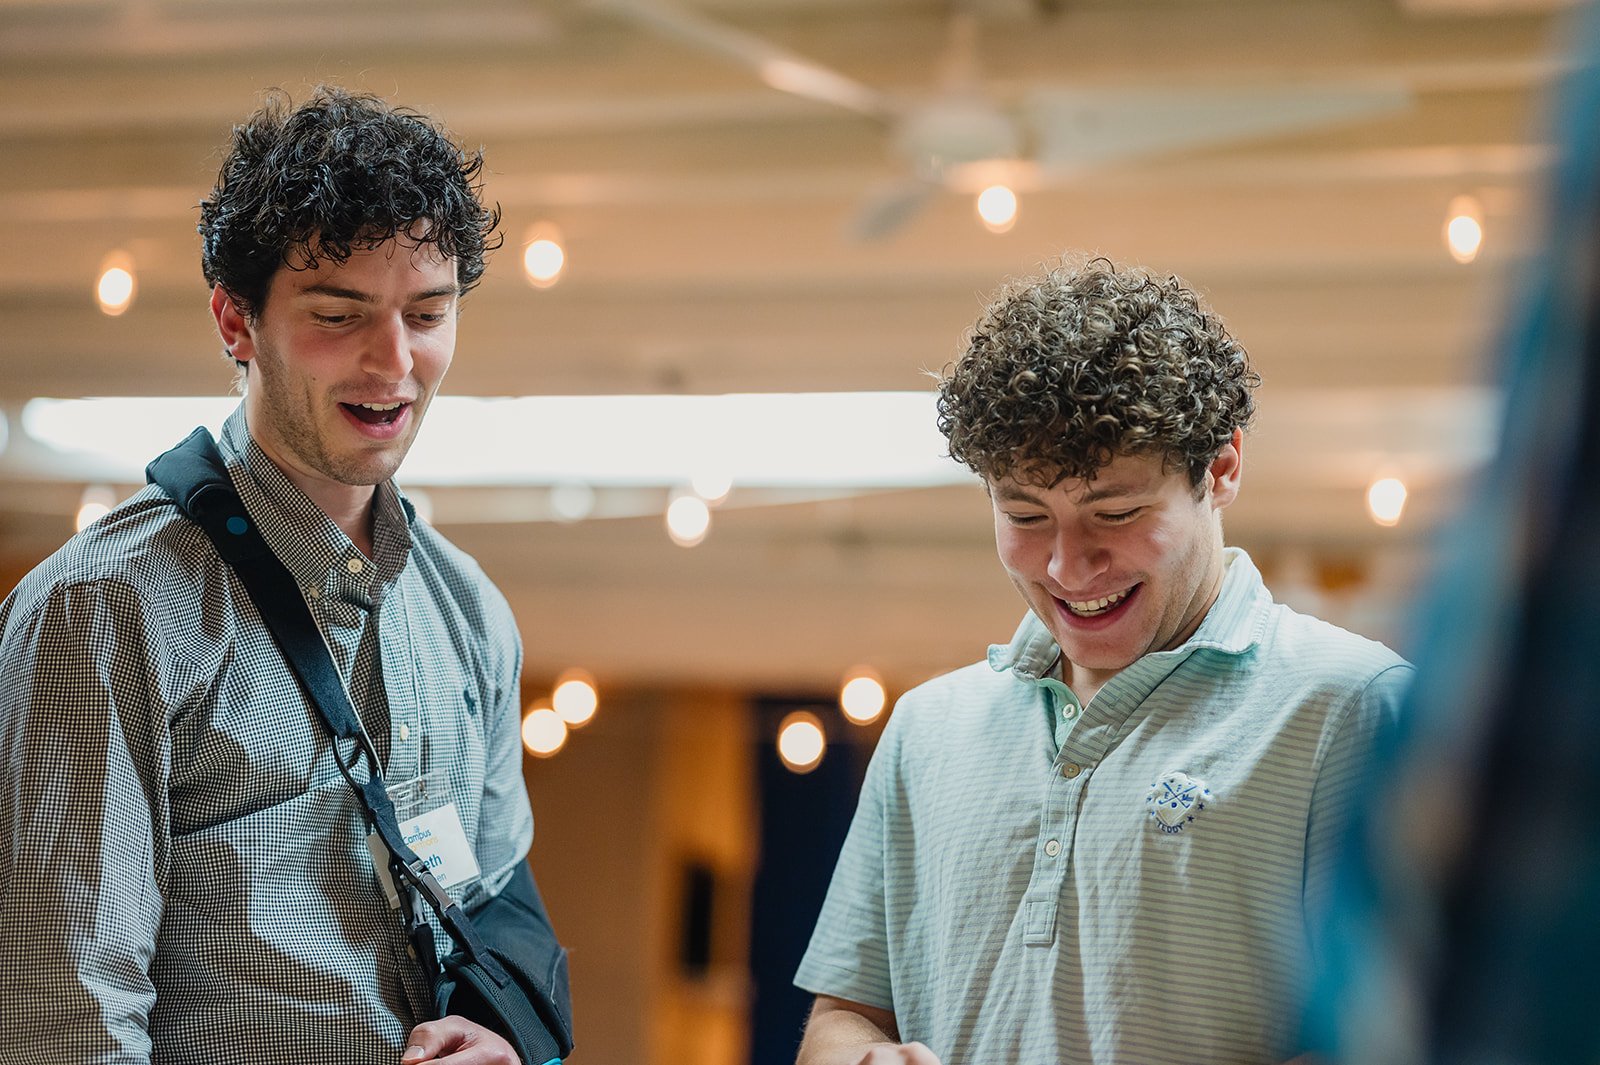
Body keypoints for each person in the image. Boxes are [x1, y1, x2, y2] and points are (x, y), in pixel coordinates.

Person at [0, 87, 548, 1064]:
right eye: (340, 315)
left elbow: (496, 911)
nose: (395, 361)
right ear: (236, 320)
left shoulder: (469, 611)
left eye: (428, 313)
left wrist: (499, 1032)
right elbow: (66, 1017)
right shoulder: (106, 611)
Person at [792, 257, 1414, 1065]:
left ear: (1221, 468)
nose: (1066, 567)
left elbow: (1405, 1035)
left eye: (1115, 513)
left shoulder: (1354, 707)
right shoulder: (925, 730)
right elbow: (842, 1016)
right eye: (1025, 516)